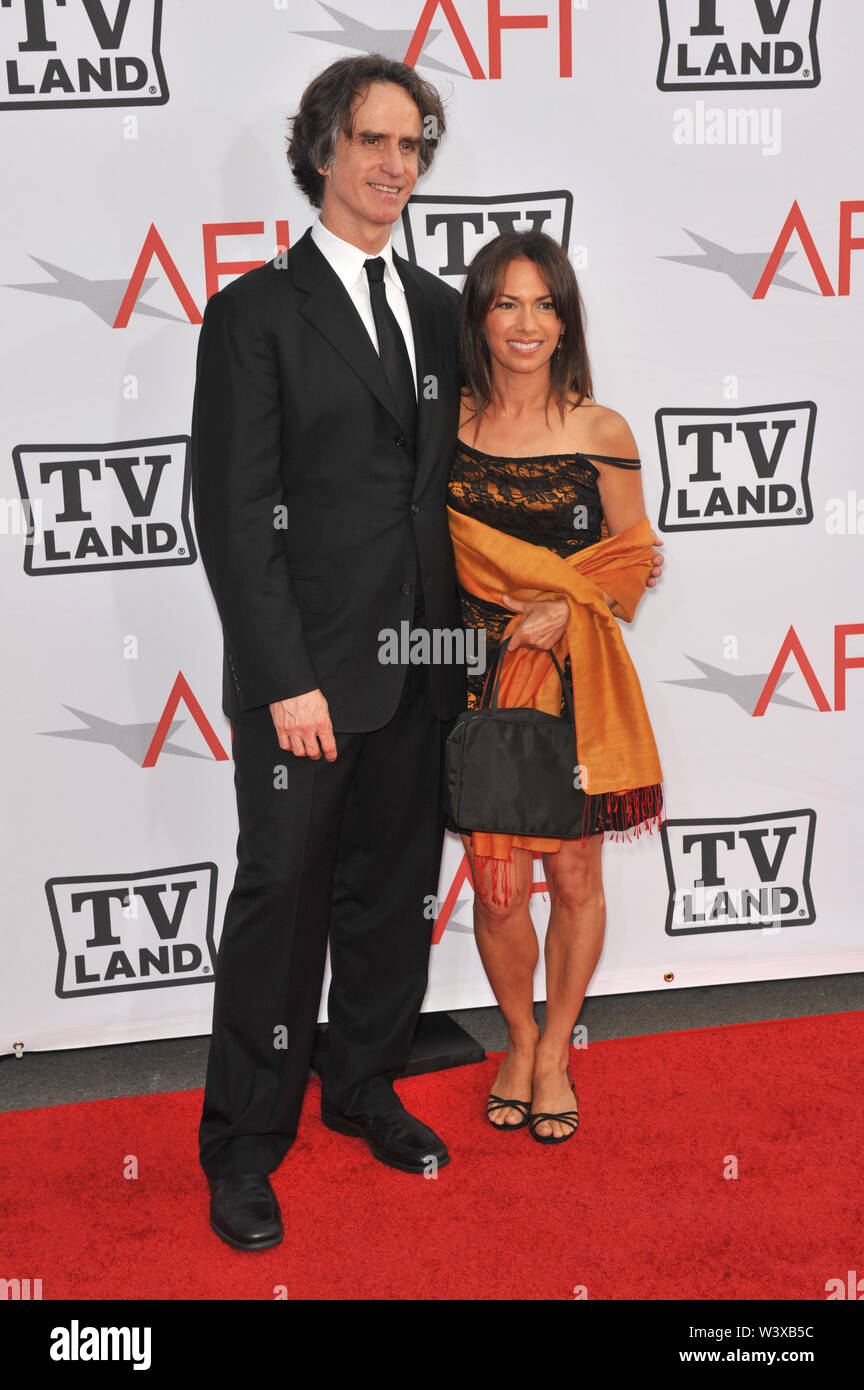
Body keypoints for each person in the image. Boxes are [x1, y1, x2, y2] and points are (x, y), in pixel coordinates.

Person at [189, 55, 466, 1251]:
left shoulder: (447, 310)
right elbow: (236, 515)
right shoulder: (254, 313)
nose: (394, 166)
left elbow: (445, 497)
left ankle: (360, 1088)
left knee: (390, 899)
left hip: (420, 662)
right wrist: (286, 677)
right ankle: (245, 1144)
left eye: (412, 146)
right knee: (280, 904)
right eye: (372, 141)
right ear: (320, 153)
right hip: (306, 678)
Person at [446, 229, 665, 1144]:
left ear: (566, 316)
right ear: (481, 317)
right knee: (495, 887)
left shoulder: (598, 428)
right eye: (506, 302)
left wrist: (567, 612)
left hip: (574, 680)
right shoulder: (447, 425)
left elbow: (635, 555)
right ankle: (518, 1038)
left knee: (573, 872)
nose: (526, 323)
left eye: (544, 303)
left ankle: (559, 1050)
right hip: (475, 677)